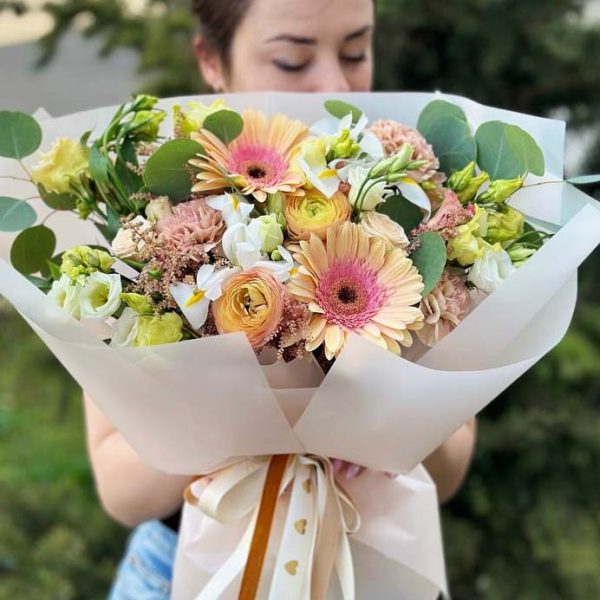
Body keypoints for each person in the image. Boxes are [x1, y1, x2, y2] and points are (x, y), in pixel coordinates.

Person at [85, 0, 477, 598]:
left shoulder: (413, 209)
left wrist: (384, 402)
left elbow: (449, 469)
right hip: (181, 569)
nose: (335, 84)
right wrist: (264, 409)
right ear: (210, 60)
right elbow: (119, 489)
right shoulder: (147, 221)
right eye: (293, 60)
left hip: (370, 557)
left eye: (355, 52)